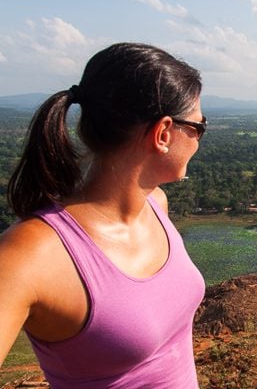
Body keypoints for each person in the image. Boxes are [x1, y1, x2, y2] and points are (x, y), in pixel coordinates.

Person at [0, 43, 206, 388]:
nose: (199, 140)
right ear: (164, 133)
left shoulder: (156, 205)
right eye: (198, 128)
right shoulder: (30, 255)